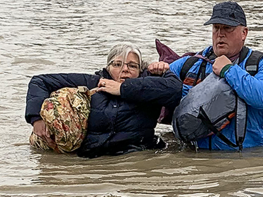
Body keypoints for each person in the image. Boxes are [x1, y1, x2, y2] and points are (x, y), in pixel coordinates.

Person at [148, 1, 263, 150]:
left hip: (248, 161)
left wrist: (229, 70)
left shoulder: (262, 64)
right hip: (196, 162)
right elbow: (151, 89)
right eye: (216, 28)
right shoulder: (190, 64)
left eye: (228, 28)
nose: (220, 34)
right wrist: (156, 72)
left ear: (244, 33)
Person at [26, 44, 182, 158]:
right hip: (91, 159)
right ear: (108, 68)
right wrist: (36, 119)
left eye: (132, 66)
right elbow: (40, 81)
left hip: (135, 158)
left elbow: (174, 90)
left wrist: (122, 88)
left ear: (140, 71)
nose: (125, 69)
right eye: (117, 64)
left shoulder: (149, 85)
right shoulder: (93, 82)